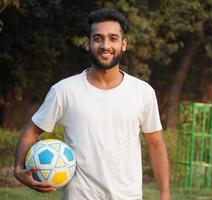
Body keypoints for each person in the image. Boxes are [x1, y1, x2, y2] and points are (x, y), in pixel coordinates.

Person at [14, 8, 170, 200]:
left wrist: (165, 195)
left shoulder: (143, 92)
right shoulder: (64, 91)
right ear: (88, 44)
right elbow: (31, 131)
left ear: (124, 44)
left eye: (113, 38)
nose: (105, 45)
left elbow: (156, 145)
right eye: (98, 38)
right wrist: (18, 169)